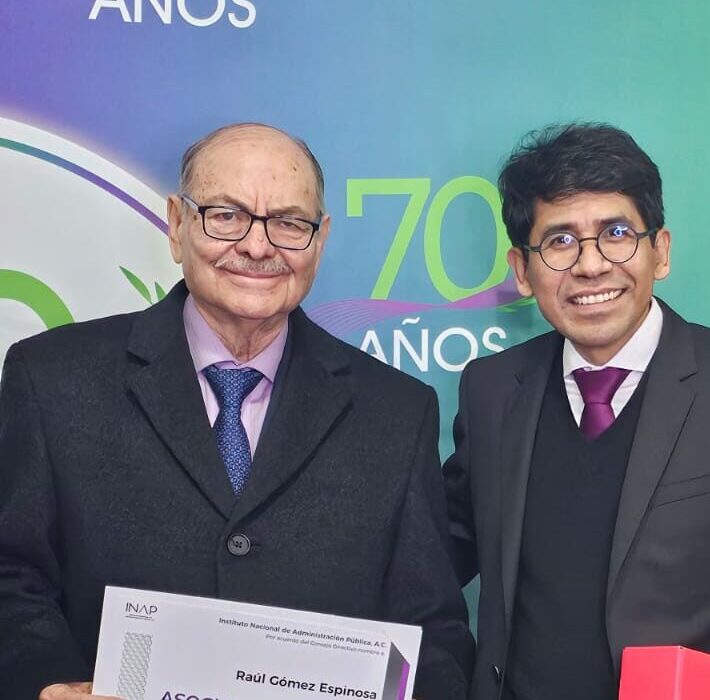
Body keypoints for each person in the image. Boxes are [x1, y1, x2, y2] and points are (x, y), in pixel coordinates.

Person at [0, 123, 473, 700]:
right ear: (177, 225)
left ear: (320, 240)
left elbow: (433, 631)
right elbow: (10, 575)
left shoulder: (398, 412)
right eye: (226, 215)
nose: (257, 246)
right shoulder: (52, 378)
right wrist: (49, 684)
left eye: (289, 222)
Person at [443, 123, 710, 700]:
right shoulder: (492, 390)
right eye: (560, 241)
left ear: (660, 251)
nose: (591, 265)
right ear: (522, 270)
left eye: (616, 233)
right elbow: (431, 556)